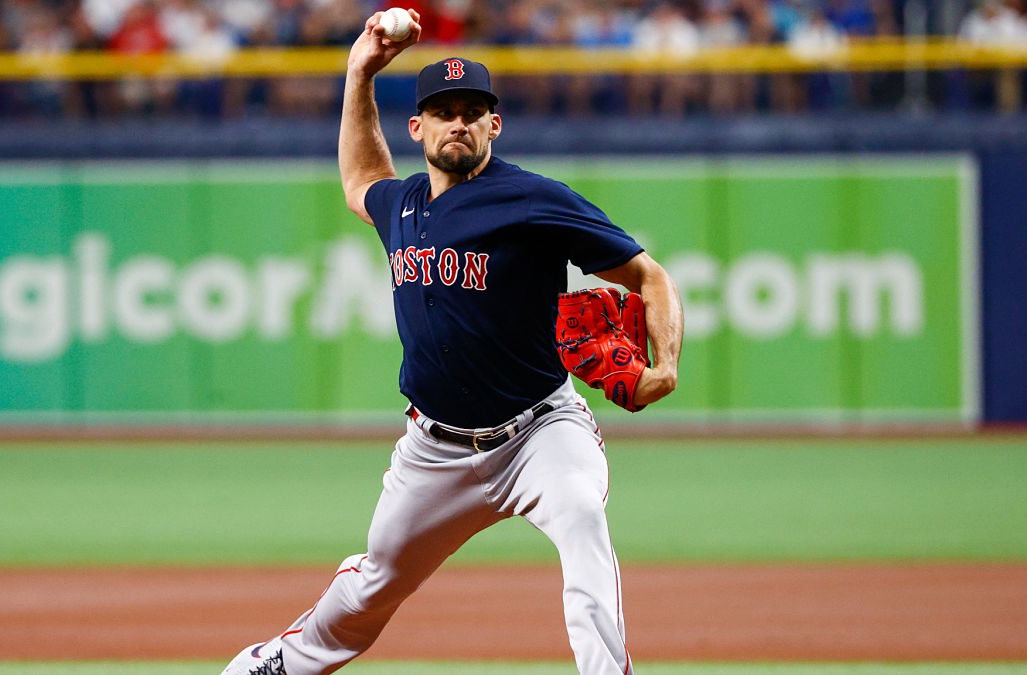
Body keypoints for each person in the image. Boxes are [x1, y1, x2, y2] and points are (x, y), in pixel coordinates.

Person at [220, 8, 684, 675]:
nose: (458, 121)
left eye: (473, 110)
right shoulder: (401, 204)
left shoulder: (531, 198)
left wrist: (664, 363)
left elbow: (647, 274)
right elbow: (359, 180)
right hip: (434, 449)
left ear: (495, 123)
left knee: (582, 514)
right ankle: (279, 663)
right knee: (374, 582)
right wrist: (359, 73)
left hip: (539, 431)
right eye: (443, 110)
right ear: (419, 127)